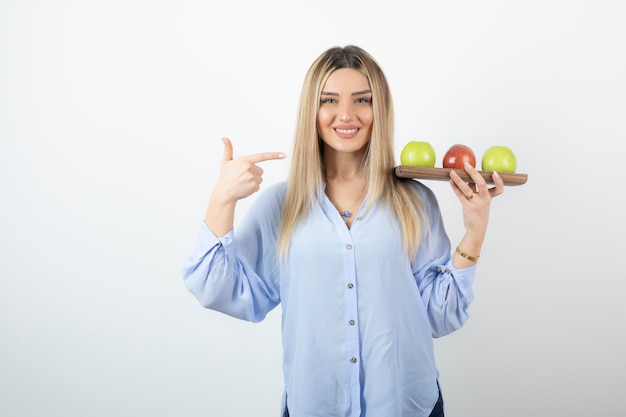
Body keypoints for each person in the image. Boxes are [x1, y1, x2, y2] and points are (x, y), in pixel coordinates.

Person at [182, 45, 504, 417]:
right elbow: (216, 289)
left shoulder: (415, 201)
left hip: (406, 406)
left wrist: (474, 232)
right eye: (329, 100)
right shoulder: (281, 206)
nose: (346, 114)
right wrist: (222, 200)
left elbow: (438, 316)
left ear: (378, 108)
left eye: (362, 100)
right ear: (312, 111)